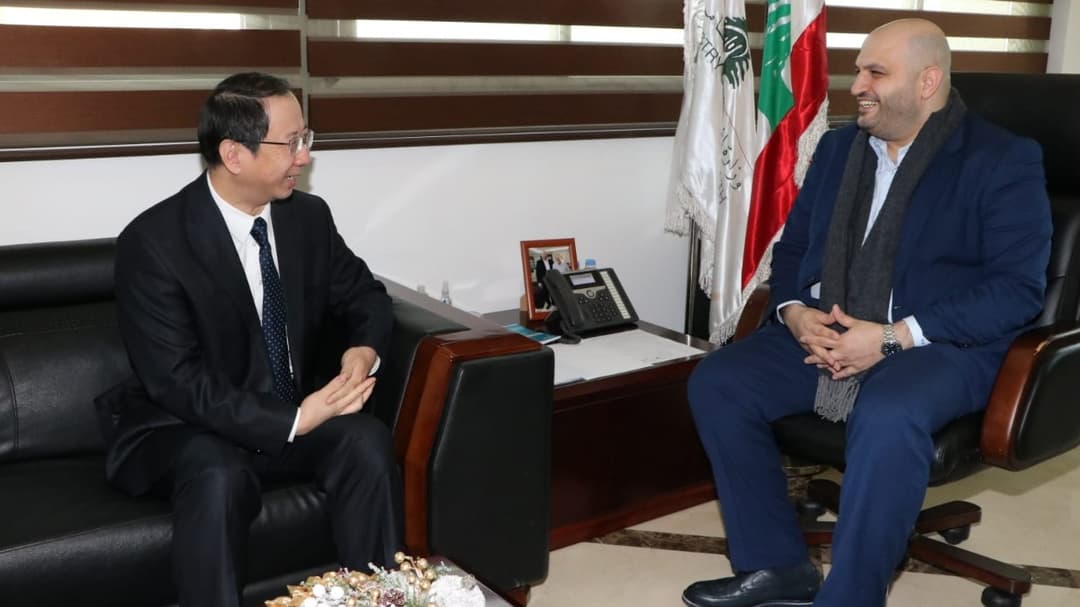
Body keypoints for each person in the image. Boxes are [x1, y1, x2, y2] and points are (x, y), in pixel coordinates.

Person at [682, 19, 1051, 607]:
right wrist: (794, 312)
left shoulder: (1002, 160)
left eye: (876, 73)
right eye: (858, 70)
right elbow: (794, 250)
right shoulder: (838, 150)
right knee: (720, 381)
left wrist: (892, 337)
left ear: (927, 82)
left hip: (940, 344)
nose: (857, 86)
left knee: (887, 413)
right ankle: (776, 566)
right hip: (831, 328)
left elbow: (1017, 291)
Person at [96, 72, 403, 606]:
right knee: (219, 474)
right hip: (186, 425)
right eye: (292, 143)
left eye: (306, 138)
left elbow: (367, 297)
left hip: (289, 409)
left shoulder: (307, 218)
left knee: (366, 442)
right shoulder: (155, 243)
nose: (305, 157)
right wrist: (295, 419)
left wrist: (363, 350)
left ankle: (380, 597)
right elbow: (177, 382)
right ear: (233, 154)